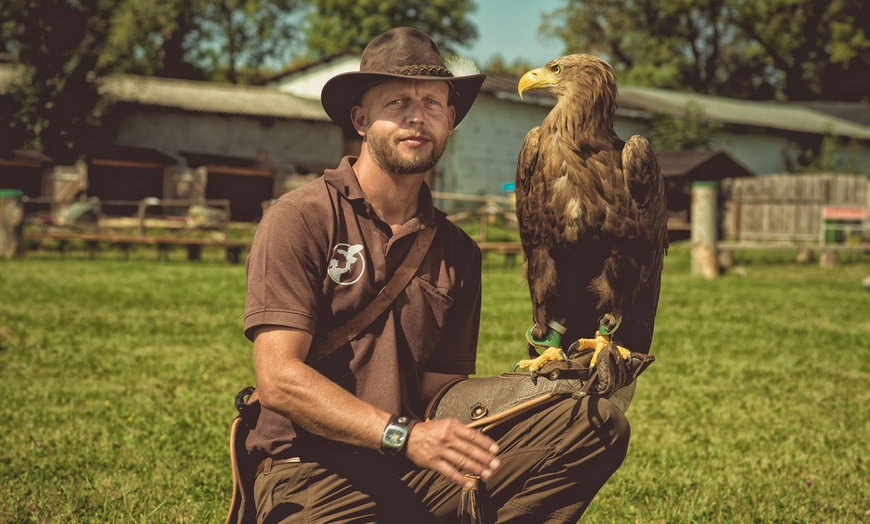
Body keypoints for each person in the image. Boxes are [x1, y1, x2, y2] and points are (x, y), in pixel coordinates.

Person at [243, 27, 630, 523]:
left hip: (409, 468)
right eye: (397, 101)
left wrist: (543, 395)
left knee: (594, 424)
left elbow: (440, 394)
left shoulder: (458, 252)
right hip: (310, 473)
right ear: (361, 120)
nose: (416, 115)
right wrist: (402, 436)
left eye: (431, 102)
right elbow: (279, 380)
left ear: (449, 120)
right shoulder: (302, 217)